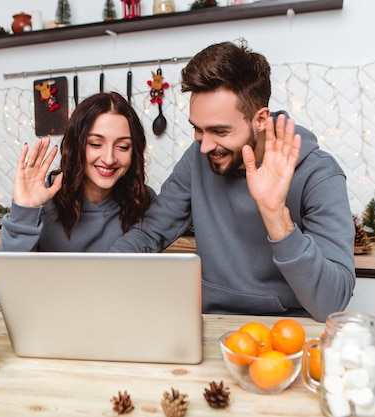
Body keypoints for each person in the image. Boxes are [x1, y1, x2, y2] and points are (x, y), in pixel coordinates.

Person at [110, 40, 355, 322]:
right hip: (210, 321)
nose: (204, 146)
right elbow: (149, 233)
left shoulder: (319, 173)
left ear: (260, 119)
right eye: (198, 130)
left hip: (288, 329)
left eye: (220, 131)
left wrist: (275, 214)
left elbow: (331, 303)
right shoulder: (199, 157)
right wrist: (98, 271)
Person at [0, 91, 154, 252]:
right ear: (76, 146)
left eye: (122, 146)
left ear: (134, 151)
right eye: (95, 144)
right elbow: (3, 277)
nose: (109, 159)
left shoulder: (143, 201)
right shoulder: (43, 201)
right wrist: (24, 211)